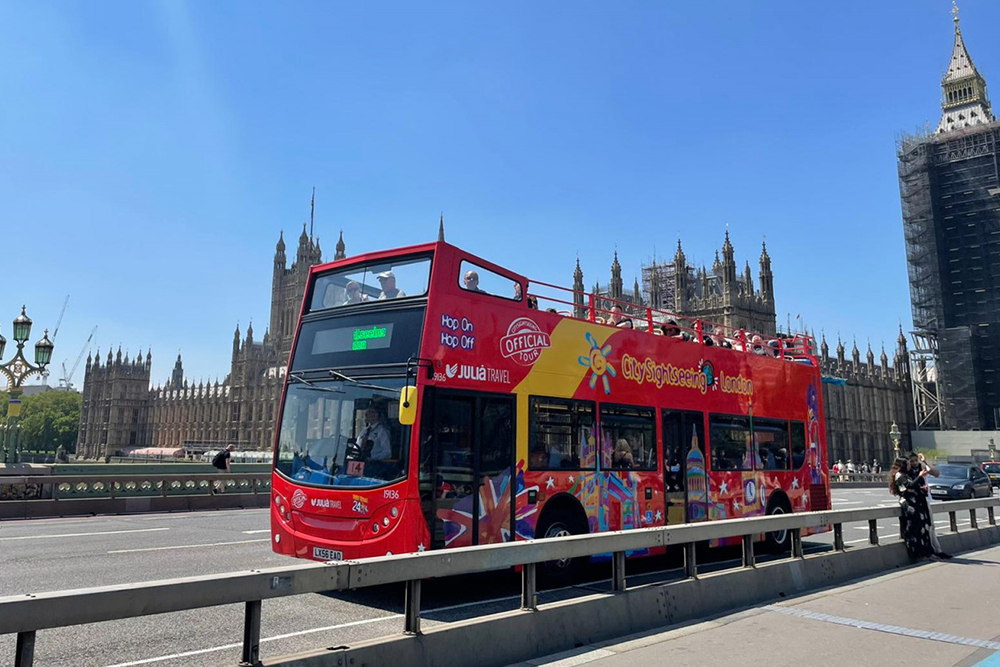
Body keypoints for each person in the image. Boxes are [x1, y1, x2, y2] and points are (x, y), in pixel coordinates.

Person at [889, 455, 935, 561]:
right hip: (909, 505)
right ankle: (916, 554)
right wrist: (920, 477)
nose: (910, 465)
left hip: (915, 503)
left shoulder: (905, 474)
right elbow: (908, 487)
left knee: (922, 528)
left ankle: (924, 552)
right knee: (914, 529)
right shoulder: (899, 475)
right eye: (908, 464)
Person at [910, 451, 952, 559]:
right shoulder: (907, 472)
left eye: (916, 460)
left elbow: (936, 473)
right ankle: (928, 551)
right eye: (912, 461)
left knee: (930, 526)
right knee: (923, 528)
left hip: (925, 499)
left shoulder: (922, 467)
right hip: (915, 502)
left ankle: (936, 550)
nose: (915, 463)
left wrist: (925, 461)